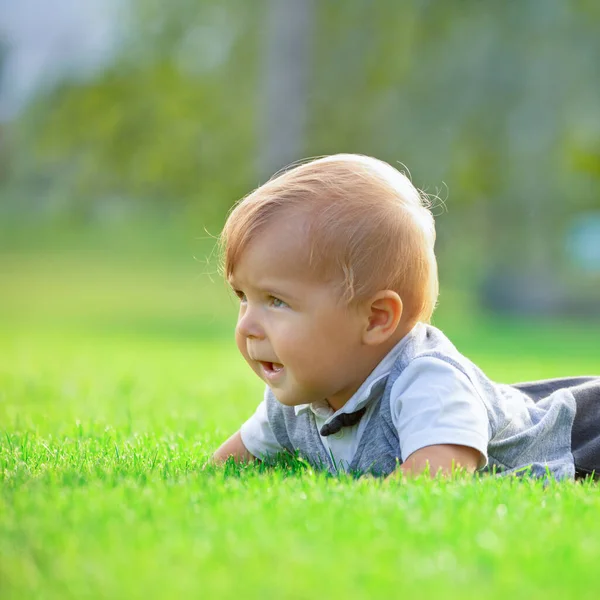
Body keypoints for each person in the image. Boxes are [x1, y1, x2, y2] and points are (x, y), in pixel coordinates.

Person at [212, 154, 599, 480]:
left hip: (581, 435)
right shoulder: (295, 395)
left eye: (276, 301)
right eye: (243, 297)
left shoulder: (427, 380)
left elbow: (436, 478)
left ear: (376, 319)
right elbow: (223, 470)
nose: (247, 326)